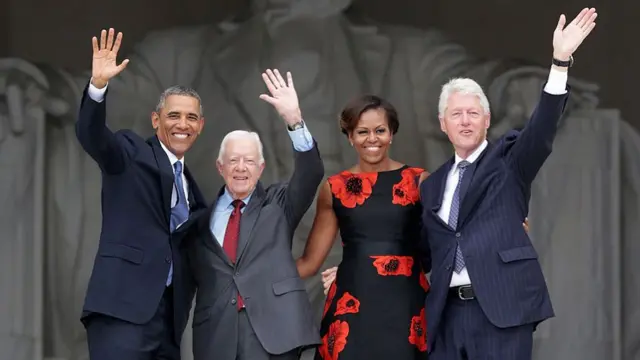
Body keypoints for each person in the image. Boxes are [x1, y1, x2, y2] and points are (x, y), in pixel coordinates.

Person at [419, 8, 596, 360]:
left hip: (500, 310)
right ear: (443, 124)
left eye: (473, 113)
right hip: (446, 314)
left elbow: (542, 132)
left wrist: (560, 62)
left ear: (487, 120)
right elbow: (424, 249)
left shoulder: (509, 159)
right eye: (456, 114)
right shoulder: (432, 184)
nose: (465, 121)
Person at [174, 69, 324, 360]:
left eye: (249, 161)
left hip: (273, 334)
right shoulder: (198, 221)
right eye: (233, 160)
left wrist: (294, 119)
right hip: (217, 337)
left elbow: (311, 172)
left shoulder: (279, 204)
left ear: (261, 168)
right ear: (220, 168)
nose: (241, 167)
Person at [76, 28, 207, 359]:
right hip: (122, 311)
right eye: (173, 115)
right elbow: (92, 135)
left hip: (168, 323)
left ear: (200, 126)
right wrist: (98, 87)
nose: (182, 124)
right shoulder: (131, 153)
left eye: (191, 117)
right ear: (155, 120)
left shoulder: (194, 190)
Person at [295, 94, 431, 360]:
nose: (372, 139)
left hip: (406, 304)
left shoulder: (419, 181)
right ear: (350, 137)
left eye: (380, 130)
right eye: (362, 132)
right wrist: (257, 275)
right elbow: (310, 263)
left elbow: (445, 238)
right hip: (352, 303)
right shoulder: (334, 187)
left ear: (391, 134)